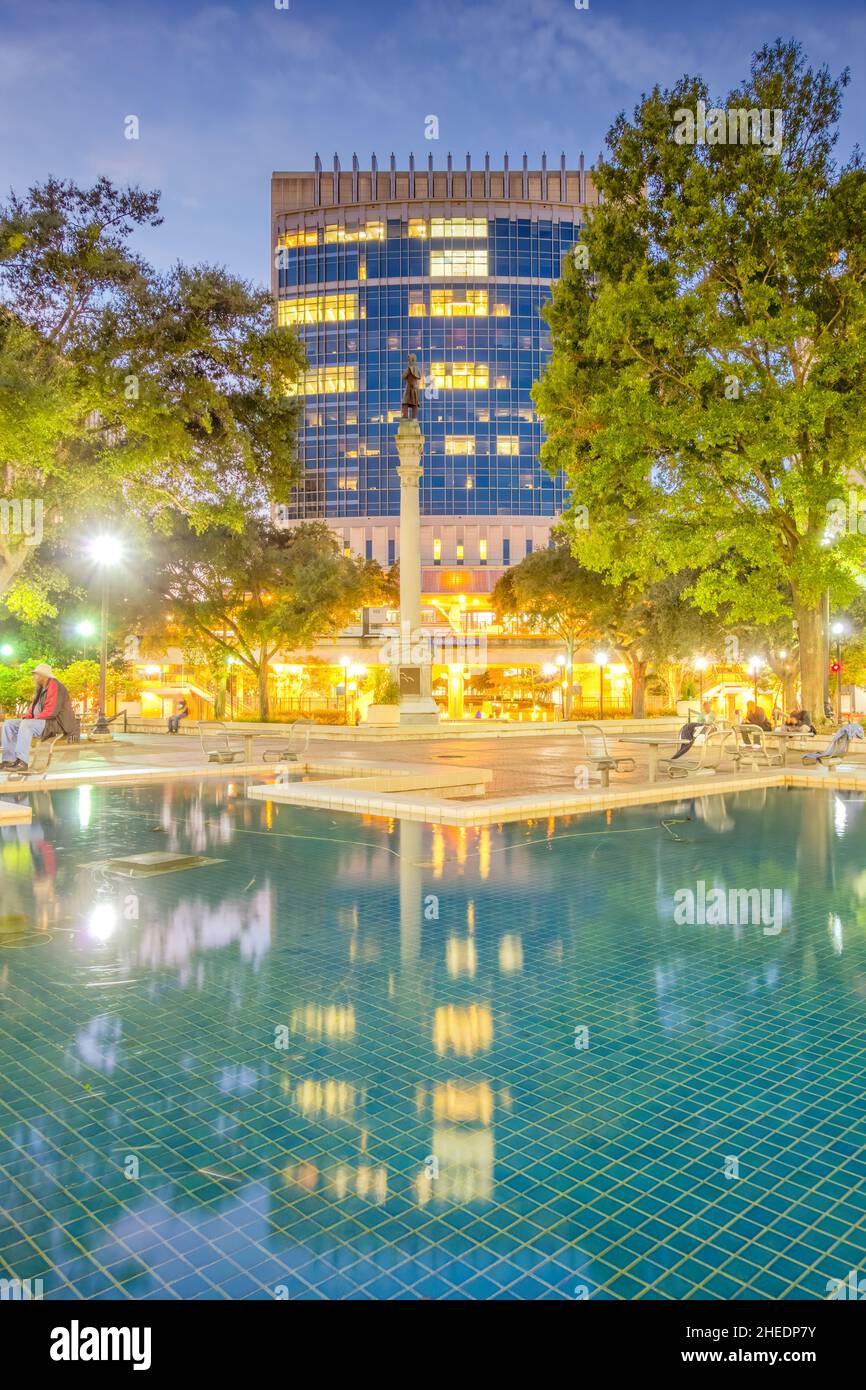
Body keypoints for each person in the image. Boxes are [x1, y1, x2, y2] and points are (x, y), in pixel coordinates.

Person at [1, 664, 77, 770]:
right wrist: (28, 716)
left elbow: (51, 711)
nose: (34, 677)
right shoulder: (40, 688)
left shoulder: (54, 685)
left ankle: (22, 762)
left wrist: (31, 720)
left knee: (27, 724)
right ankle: (9, 760)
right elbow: (33, 708)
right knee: (9, 724)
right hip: (41, 722)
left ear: (43, 675)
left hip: (55, 723)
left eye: (36, 674)